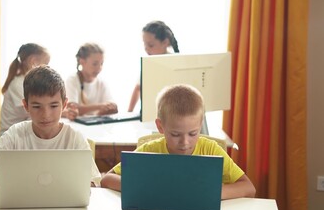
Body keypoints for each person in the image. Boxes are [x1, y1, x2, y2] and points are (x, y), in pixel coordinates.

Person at [101, 84, 256, 200]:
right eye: (175, 134)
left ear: (200, 123)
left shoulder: (210, 150)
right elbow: (107, 179)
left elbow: (249, 188)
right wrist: (144, 186)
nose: (185, 142)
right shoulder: (150, 150)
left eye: (193, 133)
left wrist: (213, 192)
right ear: (160, 127)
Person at [0, 66, 101, 186]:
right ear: (26, 106)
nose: (45, 115)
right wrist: (13, 183)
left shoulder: (74, 138)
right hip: (23, 204)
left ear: (64, 104)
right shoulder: (16, 133)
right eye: (36, 106)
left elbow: (94, 181)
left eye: (54, 106)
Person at [0, 43, 50, 139]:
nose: (48, 68)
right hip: (9, 139)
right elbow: (35, 111)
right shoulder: (19, 84)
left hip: (19, 136)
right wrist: (63, 112)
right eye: (46, 63)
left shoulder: (28, 83)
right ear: (33, 61)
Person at [128, 20, 180, 112]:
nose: (146, 49)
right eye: (144, 45)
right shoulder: (148, 63)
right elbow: (138, 88)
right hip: (152, 112)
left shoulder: (176, 62)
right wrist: (129, 112)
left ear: (165, 42)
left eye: (150, 45)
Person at [62, 43, 118, 120]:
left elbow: (111, 105)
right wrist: (100, 106)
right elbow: (73, 108)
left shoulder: (101, 83)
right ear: (82, 61)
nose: (99, 68)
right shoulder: (72, 80)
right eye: (95, 64)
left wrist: (110, 107)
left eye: (101, 63)